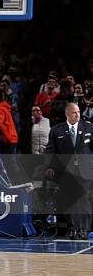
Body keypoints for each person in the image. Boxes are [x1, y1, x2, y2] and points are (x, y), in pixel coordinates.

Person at [45, 103, 93, 240]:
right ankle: (73, 228)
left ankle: (83, 229)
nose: (77, 114)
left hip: (85, 171)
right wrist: (49, 167)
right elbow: (50, 151)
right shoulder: (56, 130)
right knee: (68, 201)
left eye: (78, 112)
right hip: (65, 172)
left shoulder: (89, 127)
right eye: (74, 113)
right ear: (67, 114)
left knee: (83, 200)